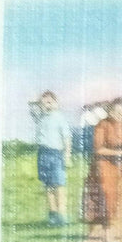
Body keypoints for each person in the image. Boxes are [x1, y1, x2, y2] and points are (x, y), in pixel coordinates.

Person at [82, 97, 122, 242]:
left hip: (116, 168)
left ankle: (103, 237)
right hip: (103, 167)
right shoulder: (102, 125)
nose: (119, 115)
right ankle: (106, 240)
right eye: (116, 112)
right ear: (109, 111)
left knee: (113, 200)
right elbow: (98, 149)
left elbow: (121, 144)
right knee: (106, 202)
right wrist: (119, 152)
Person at [30, 91, 72, 225]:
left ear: (56, 103)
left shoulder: (59, 117)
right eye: (44, 102)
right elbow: (31, 107)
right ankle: (53, 214)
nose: (47, 105)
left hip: (56, 153)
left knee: (59, 184)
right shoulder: (40, 116)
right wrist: (39, 101)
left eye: (50, 102)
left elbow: (67, 138)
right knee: (47, 185)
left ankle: (62, 214)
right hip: (43, 152)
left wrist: (67, 155)